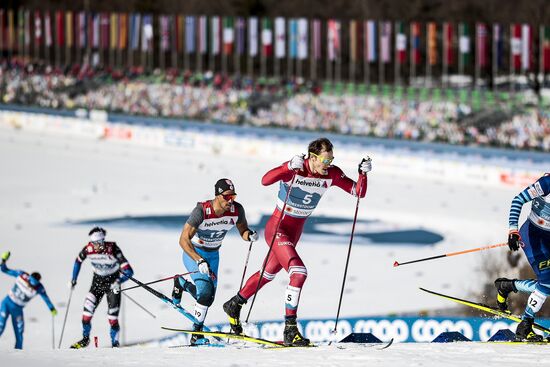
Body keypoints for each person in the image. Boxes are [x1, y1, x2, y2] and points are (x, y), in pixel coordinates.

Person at [223, 137, 372, 346]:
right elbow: (265, 180)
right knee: (299, 273)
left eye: (331, 160)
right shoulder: (297, 168)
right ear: (312, 157)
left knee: (267, 274)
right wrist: (286, 166)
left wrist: (362, 173)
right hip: (277, 228)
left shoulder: (332, 173)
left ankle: (234, 303)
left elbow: (358, 192)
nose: (328, 165)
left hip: (294, 232)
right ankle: (290, 329)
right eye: (325, 160)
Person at [172, 178, 259, 345]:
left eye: (233, 196)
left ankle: (181, 284)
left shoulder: (237, 210)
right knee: (204, 294)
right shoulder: (202, 211)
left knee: (208, 298)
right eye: (227, 197)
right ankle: (196, 334)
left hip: (213, 256)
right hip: (194, 253)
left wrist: (249, 235)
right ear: (217, 196)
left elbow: (243, 230)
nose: (230, 201)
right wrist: (199, 260)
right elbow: (183, 240)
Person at [494, 173, 550, 341]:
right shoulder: (546, 183)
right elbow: (517, 200)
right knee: (547, 282)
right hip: (533, 236)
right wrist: (513, 231)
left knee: (546, 285)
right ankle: (525, 326)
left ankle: (507, 286)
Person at [69, 227, 134, 348]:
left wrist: (119, 280)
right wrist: (74, 279)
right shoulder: (88, 249)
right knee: (86, 316)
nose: (96, 246)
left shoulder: (113, 249)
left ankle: (115, 343)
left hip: (112, 284)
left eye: (98, 243)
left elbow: (129, 271)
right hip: (97, 284)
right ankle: (85, 339)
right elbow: (78, 261)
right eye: (93, 243)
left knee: (112, 318)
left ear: (103, 241)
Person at [0, 251, 57, 349]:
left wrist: (52, 309)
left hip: (18, 309)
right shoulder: (21, 275)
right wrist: (3, 261)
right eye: (31, 282)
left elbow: (46, 299)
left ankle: (18, 355)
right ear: (29, 277)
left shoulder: (39, 288)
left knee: (20, 332)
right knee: (1, 327)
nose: (31, 285)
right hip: (7, 303)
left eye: (34, 284)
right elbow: (4, 270)